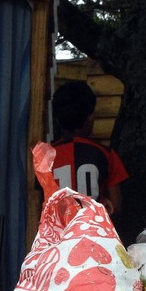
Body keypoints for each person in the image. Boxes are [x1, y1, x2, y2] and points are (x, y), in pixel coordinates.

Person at [49, 80, 128, 216]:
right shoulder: (106, 154)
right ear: (90, 118)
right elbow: (116, 207)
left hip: (59, 235)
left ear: (57, 120)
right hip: (94, 234)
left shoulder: (45, 157)